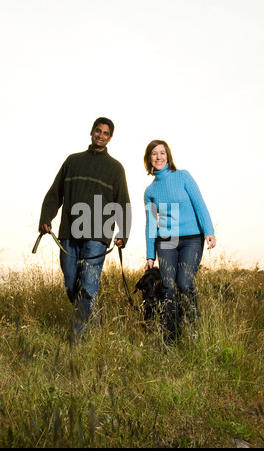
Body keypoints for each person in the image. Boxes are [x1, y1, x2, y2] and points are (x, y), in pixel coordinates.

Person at [38, 117, 131, 333]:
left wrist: (123, 233)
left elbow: (123, 203)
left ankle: (78, 341)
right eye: (98, 131)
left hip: (98, 236)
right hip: (69, 232)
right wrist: (46, 218)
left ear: (110, 138)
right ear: (91, 132)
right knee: (71, 283)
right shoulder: (73, 161)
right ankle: (92, 320)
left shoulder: (116, 168)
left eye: (106, 133)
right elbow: (55, 193)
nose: (101, 136)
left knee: (88, 287)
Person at [143, 140, 216, 340]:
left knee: (184, 283)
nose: (158, 157)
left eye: (162, 153)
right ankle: (171, 337)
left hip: (192, 237)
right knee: (167, 286)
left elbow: (199, 203)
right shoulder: (150, 191)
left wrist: (208, 230)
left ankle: (195, 329)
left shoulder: (183, 176)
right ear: (149, 158)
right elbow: (151, 224)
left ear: (168, 156)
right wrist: (150, 254)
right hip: (166, 239)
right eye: (154, 154)